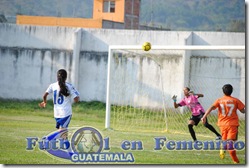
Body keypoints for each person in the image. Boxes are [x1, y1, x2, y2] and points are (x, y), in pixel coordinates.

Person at [201, 84, 245, 164]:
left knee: (226, 141)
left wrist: (204, 116)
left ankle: (222, 148)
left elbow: (211, 107)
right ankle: (236, 161)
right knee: (231, 143)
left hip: (222, 124)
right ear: (232, 91)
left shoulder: (219, 100)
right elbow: (243, 110)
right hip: (232, 124)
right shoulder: (235, 100)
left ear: (223, 91)